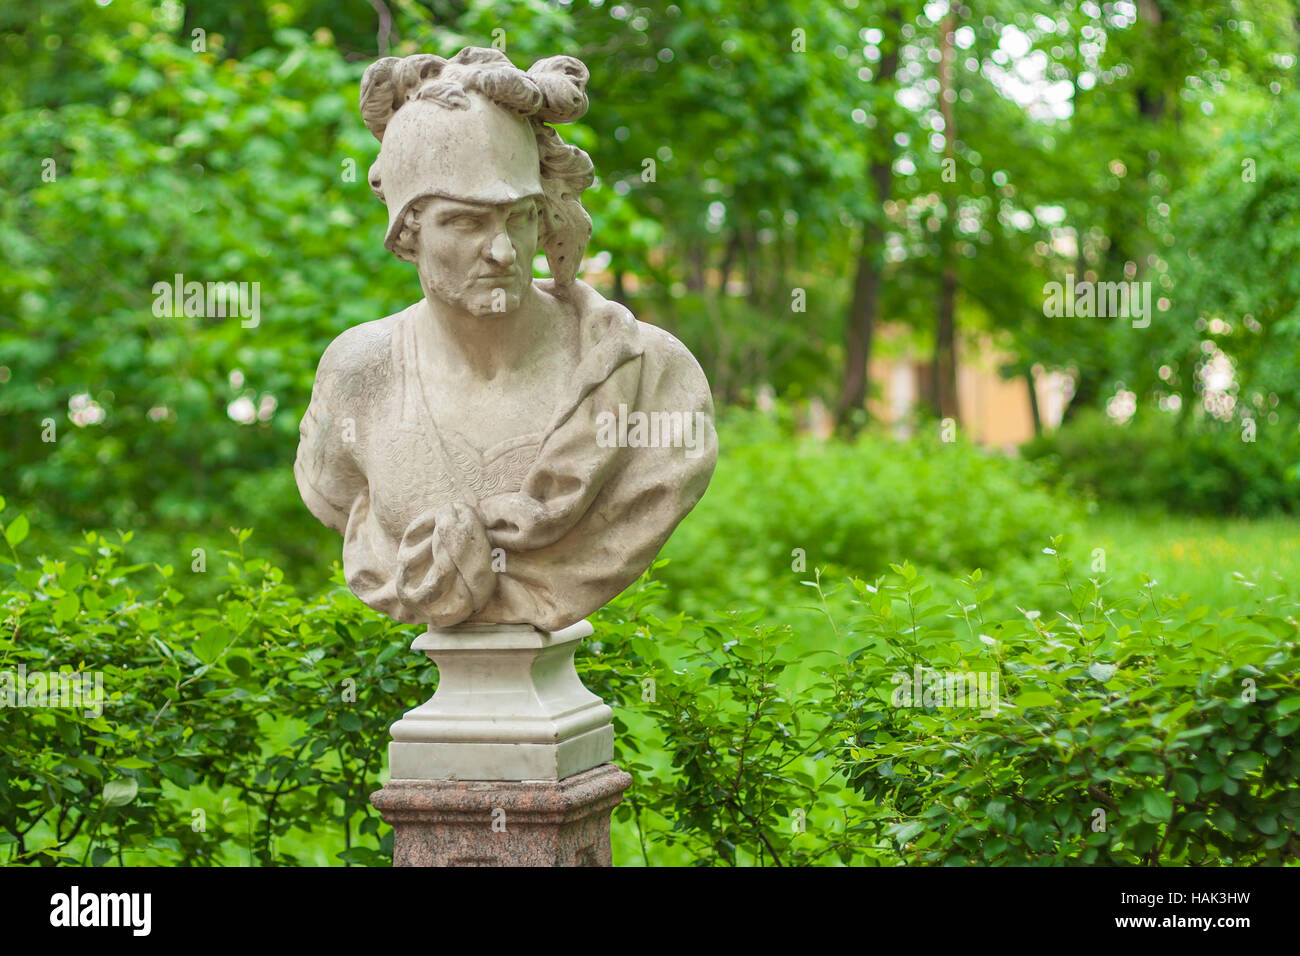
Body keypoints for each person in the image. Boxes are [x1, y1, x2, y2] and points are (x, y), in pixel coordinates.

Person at [295, 47, 716, 632]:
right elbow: (336, 495)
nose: (502, 251)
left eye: (519, 218)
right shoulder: (357, 373)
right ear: (407, 233)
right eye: (466, 222)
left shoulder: (650, 375)